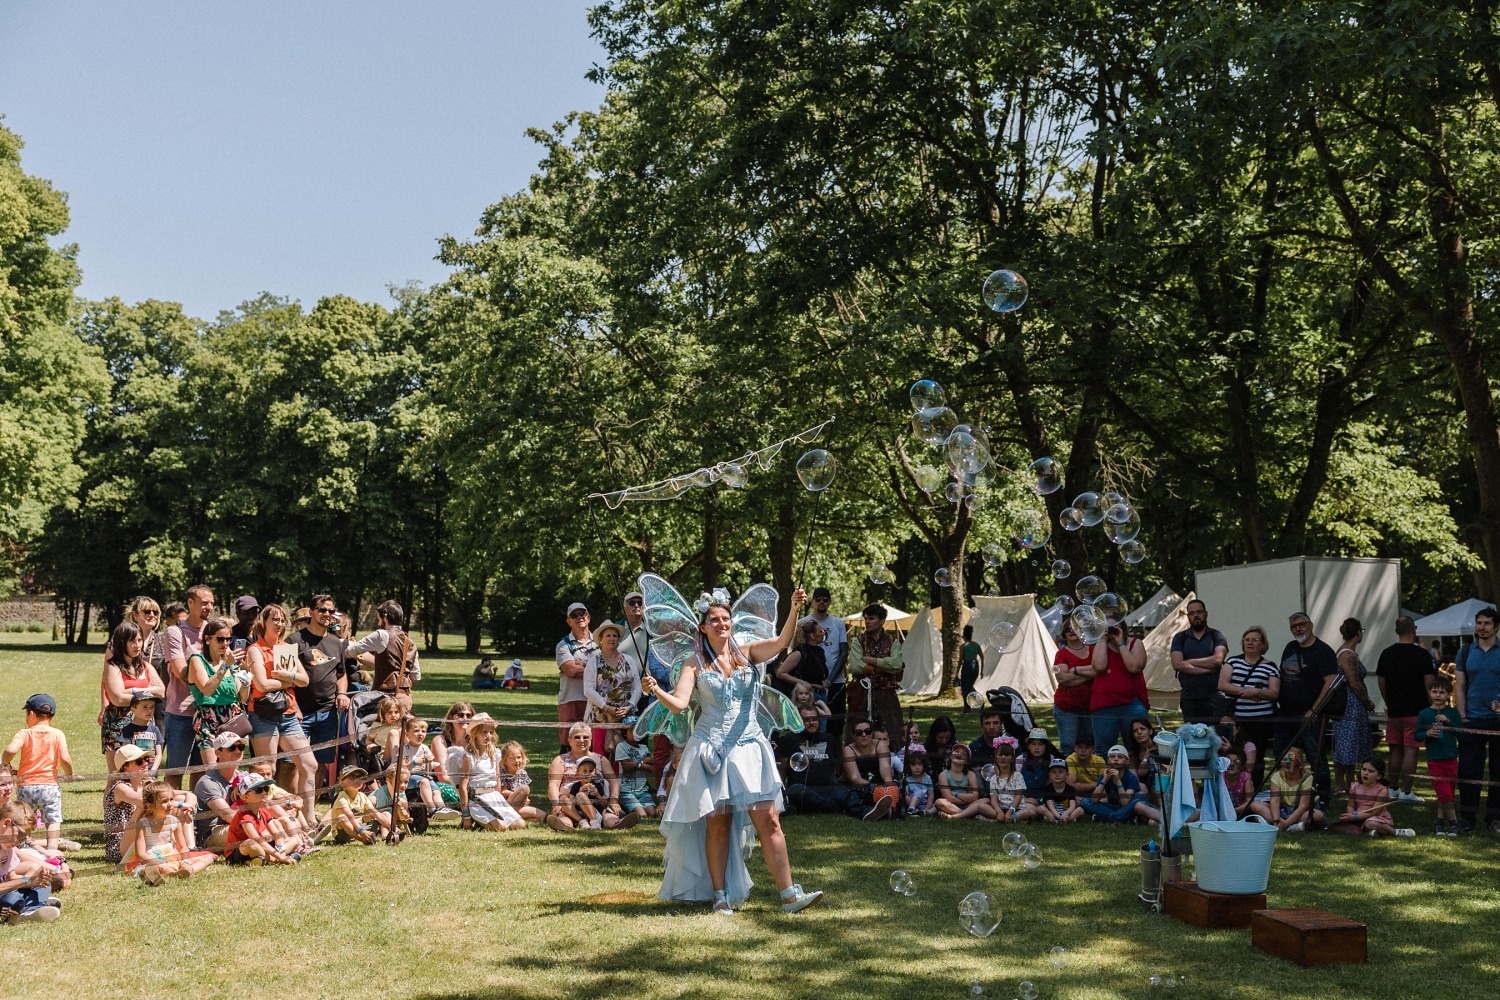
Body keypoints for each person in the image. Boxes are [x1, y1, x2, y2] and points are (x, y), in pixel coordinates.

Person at [641, 585, 822, 914]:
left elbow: (782, 643)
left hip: (750, 748)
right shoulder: (694, 664)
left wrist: (795, 608)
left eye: (726, 619)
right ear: (703, 626)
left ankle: (789, 896)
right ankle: (721, 895)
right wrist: (656, 691)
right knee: (719, 822)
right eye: (715, 620)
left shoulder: (748, 653)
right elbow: (680, 704)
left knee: (769, 820)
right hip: (712, 750)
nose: (722, 623)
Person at [245, 603, 317, 820]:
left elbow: (304, 680)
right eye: (274, 619)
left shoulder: (285, 648)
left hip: (288, 714)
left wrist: (289, 678)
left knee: (309, 764)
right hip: (263, 715)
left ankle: (309, 818)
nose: (279, 624)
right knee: (267, 770)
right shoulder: (255, 649)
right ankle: (266, 819)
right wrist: (287, 682)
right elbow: (262, 685)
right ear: (263, 622)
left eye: (282, 620)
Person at [1272, 612, 1341, 808]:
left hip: (1310, 715)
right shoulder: (1290, 647)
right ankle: (1285, 794)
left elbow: (1330, 682)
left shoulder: (1323, 651)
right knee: (1280, 754)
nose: (1298, 629)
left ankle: (1323, 798)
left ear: (1310, 625)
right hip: (1285, 713)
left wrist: (1314, 709)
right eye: (1294, 627)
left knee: (1315, 756)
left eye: (1302, 625)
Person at [161, 584, 217, 790]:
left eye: (211, 603)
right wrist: (207, 682)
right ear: (190, 603)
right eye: (204, 603)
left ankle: (195, 819)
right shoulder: (175, 633)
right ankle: (170, 818)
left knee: (201, 771)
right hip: (181, 712)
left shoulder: (212, 631)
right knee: (175, 771)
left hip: (208, 712)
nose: (209, 607)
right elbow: (180, 671)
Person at [1376, 615, 1437, 804]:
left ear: (1396, 631)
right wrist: (1434, 708)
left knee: (1395, 749)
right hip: (1416, 710)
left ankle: (1392, 788)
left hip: (1395, 709)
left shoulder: (1386, 653)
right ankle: (1407, 791)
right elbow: (1429, 684)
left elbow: (1381, 681)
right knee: (1411, 750)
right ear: (1414, 629)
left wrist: (1389, 701)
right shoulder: (1422, 655)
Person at [294, 594, 351, 793]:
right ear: (311, 612)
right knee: (292, 762)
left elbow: (341, 674)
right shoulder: (294, 640)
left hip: (327, 713)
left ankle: (309, 810)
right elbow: (285, 678)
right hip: (299, 713)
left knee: (320, 762)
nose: (326, 614)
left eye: (330, 611)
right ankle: (290, 810)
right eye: (322, 610)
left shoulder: (336, 643)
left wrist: (342, 693)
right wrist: (292, 706)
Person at [3, 694, 74, 852]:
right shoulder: (57, 734)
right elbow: (65, 759)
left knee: (23, 818)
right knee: (53, 820)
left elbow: (10, 750)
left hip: (26, 786)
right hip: (50, 786)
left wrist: (5, 764)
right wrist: (69, 775)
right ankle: (52, 849)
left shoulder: (25, 733)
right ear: (52, 715)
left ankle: (20, 848)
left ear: (31, 714)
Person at [1455, 606, 1500, 834]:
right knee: (1468, 772)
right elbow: (1460, 685)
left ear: (1496, 626)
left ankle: (1494, 818)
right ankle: (1468, 818)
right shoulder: (1465, 652)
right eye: (1479, 623)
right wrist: (1462, 715)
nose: (1482, 627)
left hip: (1498, 721)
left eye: (1487, 623)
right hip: (1472, 720)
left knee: (1498, 772)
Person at [544, 723, 638, 832]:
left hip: (596, 801)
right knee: (564, 816)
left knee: (608, 815)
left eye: (585, 737)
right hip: (571, 804)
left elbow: (614, 782)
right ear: (570, 741)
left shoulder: (600, 759)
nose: (581, 740)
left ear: (591, 739)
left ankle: (616, 824)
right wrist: (556, 803)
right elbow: (553, 785)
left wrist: (613, 800)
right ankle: (566, 825)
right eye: (577, 737)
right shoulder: (560, 760)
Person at [1218, 625, 1280, 788]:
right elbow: (1222, 684)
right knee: (1234, 752)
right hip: (1238, 719)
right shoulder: (1232, 661)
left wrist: (1257, 692)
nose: (1250, 643)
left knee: (1257, 756)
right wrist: (1245, 691)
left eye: (1254, 640)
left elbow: (1274, 692)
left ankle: (1254, 788)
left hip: (1261, 720)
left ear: (1263, 644)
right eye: (1247, 640)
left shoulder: (1271, 666)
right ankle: (1233, 786)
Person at [98, 620, 166, 767]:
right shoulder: (113, 667)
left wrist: (132, 691)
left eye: (140, 640)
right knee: (118, 773)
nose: (138, 645)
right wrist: (147, 692)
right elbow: (118, 699)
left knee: (145, 769)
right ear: (122, 643)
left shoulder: (145, 666)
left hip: (144, 724)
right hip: (118, 724)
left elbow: (161, 691)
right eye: (132, 641)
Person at [187, 617, 247, 770]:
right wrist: (226, 665)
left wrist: (246, 676)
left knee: (232, 769)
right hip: (208, 718)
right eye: (220, 639)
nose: (225, 644)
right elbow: (207, 690)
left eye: (228, 639)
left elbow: (242, 697)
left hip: (232, 717)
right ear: (207, 639)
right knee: (214, 770)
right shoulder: (197, 660)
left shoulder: (230, 663)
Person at [134, 781, 217, 884]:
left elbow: (182, 847)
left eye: (171, 800)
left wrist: (185, 862)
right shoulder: (143, 824)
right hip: (152, 859)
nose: (170, 804)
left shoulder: (174, 821)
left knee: (207, 858)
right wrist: (161, 865)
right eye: (164, 801)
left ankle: (187, 871)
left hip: (171, 856)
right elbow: (141, 853)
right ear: (150, 806)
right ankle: (151, 874)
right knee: (147, 867)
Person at [347, 600, 421, 711]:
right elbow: (416, 677)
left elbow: (350, 651)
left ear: (385, 616)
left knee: (356, 707)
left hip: (383, 697)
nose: (378, 620)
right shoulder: (410, 642)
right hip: (404, 698)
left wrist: (345, 642)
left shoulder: (382, 635)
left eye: (379, 617)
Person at [456, 714, 527, 831]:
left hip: (493, 796)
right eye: (484, 732)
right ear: (475, 733)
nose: (488, 736)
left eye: (490, 732)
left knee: (520, 825)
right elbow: (463, 786)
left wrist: (499, 801)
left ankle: (486, 820)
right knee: (501, 827)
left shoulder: (494, 753)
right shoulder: (469, 757)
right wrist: (466, 814)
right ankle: (479, 820)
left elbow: (497, 778)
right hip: (477, 798)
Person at [1331, 618, 1377, 793]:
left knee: (1348, 745)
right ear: (1358, 633)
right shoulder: (1347, 655)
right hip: (1350, 705)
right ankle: (1342, 785)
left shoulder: (1343, 652)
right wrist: (1368, 702)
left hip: (1348, 704)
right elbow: (1355, 683)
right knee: (1347, 746)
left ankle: (1349, 784)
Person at [1090, 616, 1148, 752]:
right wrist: (1103, 638)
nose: (1111, 631)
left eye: (1115, 627)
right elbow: (1098, 666)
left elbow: (1135, 667)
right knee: (1104, 749)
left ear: (1123, 628)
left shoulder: (1135, 643)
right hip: (1105, 704)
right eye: (1107, 628)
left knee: (1136, 747)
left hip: (1132, 704)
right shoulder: (1101, 644)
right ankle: (1106, 773)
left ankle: (1136, 772)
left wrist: (1121, 644)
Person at [849, 604, 904, 740]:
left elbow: (897, 665)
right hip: (862, 695)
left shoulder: (893, 642)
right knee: (860, 733)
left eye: (871, 618)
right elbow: (856, 667)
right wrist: (885, 667)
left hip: (886, 695)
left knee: (892, 734)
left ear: (882, 621)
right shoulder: (858, 641)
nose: (867, 622)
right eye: (866, 618)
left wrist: (873, 661)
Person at [583, 620, 640, 754]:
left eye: (614, 636)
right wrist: (607, 707)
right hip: (601, 716)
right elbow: (588, 689)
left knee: (622, 754)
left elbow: (637, 686)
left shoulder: (628, 660)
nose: (612, 638)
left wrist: (630, 706)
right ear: (600, 640)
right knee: (600, 752)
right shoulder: (593, 662)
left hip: (625, 716)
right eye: (608, 635)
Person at [802, 586, 849, 745]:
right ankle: (811, 760)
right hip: (811, 685)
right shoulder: (803, 623)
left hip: (835, 683)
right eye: (818, 599)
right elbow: (796, 651)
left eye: (825, 599)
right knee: (810, 724)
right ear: (812, 601)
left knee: (835, 726)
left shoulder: (838, 623)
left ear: (830, 602)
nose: (822, 602)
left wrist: (830, 679)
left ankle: (836, 766)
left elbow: (843, 652)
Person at [1170, 599, 1229, 725]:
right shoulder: (1180, 638)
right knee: (1193, 739)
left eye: (1199, 612)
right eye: (1192, 613)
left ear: (1206, 614)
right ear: (1188, 617)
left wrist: (1189, 662)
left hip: (1214, 697)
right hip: (1189, 698)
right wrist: (1207, 669)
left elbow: (1218, 659)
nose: (1196, 615)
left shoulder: (1217, 636)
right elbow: (1177, 664)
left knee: (1216, 738)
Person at [1415, 679, 1461, 836]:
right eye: (1435, 691)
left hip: (1451, 757)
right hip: (1434, 758)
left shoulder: (1452, 712)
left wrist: (1448, 722)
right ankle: (1454, 823)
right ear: (1430, 693)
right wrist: (1427, 733)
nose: (1438, 695)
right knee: (1444, 793)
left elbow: (1460, 732)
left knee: (1448, 792)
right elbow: (1416, 736)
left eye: (1442, 692)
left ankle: (1440, 824)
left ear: (1448, 695)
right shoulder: (1424, 713)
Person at [0, 802, 60, 923]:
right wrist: (25, 880)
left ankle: (27, 910)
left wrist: (35, 881)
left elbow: (10, 877)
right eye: (21, 835)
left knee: (41, 882)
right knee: (12, 898)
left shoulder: (7, 848)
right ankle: (29, 907)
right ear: (6, 823)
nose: (20, 842)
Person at [224, 776, 298, 865]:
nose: (264, 792)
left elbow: (277, 835)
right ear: (245, 797)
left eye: (266, 788)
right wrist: (281, 856)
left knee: (293, 841)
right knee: (252, 844)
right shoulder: (245, 816)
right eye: (258, 790)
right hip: (239, 852)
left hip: (262, 848)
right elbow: (258, 841)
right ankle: (275, 859)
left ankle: (263, 859)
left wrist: (280, 847)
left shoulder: (264, 812)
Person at [192, 732, 246, 852]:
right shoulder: (208, 782)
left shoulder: (243, 777)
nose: (238, 751)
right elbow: (228, 816)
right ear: (217, 753)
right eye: (231, 748)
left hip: (239, 824)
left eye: (241, 747)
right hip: (212, 834)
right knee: (250, 829)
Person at [553, 602, 595, 753]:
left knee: (593, 743)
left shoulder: (600, 641)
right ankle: (566, 776)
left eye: (582, 614)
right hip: (570, 700)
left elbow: (608, 669)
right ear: (569, 621)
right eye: (574, 615)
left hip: (596, 701)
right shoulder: (563, 645)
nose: (579, 617)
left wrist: (582, 664)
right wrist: (595, 668)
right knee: (568, 743)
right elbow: (571, 671)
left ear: (588, 618)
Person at [1081, 744, 1158, 824]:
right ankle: (1120, 818)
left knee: (1139, 801)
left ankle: (1106, 817)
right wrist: (1104, 780)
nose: (1116, 759)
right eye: (1112, 757)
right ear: (1108, 760)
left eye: (1120, 757)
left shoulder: (1131, 777)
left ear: (1127, 761)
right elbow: (1095, 800)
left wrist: (1118, 781)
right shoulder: (1104, 775)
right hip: (1113, 807)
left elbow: (1125, 803)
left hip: (1128, 807)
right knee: (1085, 802)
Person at [1336, 759, 1413, 837]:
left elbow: (1374, 812)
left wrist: (1355, 817)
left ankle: (1394, 832)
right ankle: (1370, 833)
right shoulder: (1355, 786)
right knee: (1337, 826)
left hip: (1375, 817)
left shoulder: (1382, 790)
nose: (1365, 773)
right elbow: (1350, 805)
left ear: (1379, 776)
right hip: (1358, 816)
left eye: (1370, 771)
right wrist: (1351, 815)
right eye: (1364, 769)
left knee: (1370, 824)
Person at [1253, 747, 1324, 832]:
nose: (1288, 762)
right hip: (1283, 810)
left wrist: (1286, 823)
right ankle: (1286, 825)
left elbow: (1303, 806)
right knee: (1255, 805)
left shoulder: (1307, 779)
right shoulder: (1277, 776)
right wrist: (1276, 819)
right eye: (1285, 759)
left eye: (1292, 760)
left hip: (1301, 812)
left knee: (1318, 815)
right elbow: (1275, 801)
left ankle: (1286, 825)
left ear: (1301, 765)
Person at [103, 744, 152, 864]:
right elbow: (145, 801)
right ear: (125, 767)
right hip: (119, 848)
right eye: (139, 761)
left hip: (141, 840)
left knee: (174, 805)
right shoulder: (120, 787)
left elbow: (167, 795)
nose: (145, 764)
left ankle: (189, 847)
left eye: (146, 760)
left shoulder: (145, 784)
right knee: (145, 806)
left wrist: (188, 796)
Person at [1051, 622, 1095, 755]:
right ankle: (1066, 775)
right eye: (1067, 629)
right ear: (1064, 634)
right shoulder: (1061, 654)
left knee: (1089, 746)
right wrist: (1089, 676)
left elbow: (1100, 670)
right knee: (1067, 747)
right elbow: (1063, 679)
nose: (1071, 631)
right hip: (1066, 708)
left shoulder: (1093, 651)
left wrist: (1074, 671)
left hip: (1091, 707)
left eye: (1074, 628)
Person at [841, 720, 897, 821]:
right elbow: (854, 777)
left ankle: (885, 809)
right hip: (859, 787)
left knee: (893, 790)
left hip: (880, 784)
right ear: (854, 736)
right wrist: (873, 788)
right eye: (859, 732)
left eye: (868, 731)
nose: (864, 735)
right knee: (852, 802)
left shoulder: (880, 746)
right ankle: (871, 812)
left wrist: (888, 787)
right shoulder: (849, 750)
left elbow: (885, 769)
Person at [326, 766, 389, 844]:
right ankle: (363, 839)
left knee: (384, 814)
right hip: (343, 833)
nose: (357, 780)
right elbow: (350, 817)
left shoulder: (361, 796)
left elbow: (375, 813)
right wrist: (361, 831)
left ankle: (386, 836)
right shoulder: (341, 798)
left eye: (360, 777)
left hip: (360, 826)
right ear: (341, 782)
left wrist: (393, 828)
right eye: (352, 777)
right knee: (342, 817)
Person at [613, 716, 657, 820]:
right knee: (642, 816)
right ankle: (626, 812)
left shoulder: (644, 748)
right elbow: (627, 768)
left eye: (637, 730)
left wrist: (636, 764)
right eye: (631, 730)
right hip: (626, 791)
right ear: (625, 733)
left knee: (653, 813)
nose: (634, 733)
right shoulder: (621, 746)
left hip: (643, 790)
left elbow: (651, 769)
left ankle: (635, 808)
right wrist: (643, 762)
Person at [935, 742, 992, 820]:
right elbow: (948, 798)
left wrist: (955, 793)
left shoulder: (970, 774)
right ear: (951, 756)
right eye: (957, 751)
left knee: (986, 800)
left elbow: (975, 797)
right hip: (951, 805)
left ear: (967, 761)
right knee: (939, 802)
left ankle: (959, 814)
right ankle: (968, 814)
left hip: (970, 805)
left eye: (963, 754)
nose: (959, 754)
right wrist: (967, 798)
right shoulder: (943, 775)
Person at [775, 619, 828, 698]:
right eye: (820, 632)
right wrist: (804, 683)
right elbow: (781, 673)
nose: (824, 634)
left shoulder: (820, 652)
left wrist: (824, 681)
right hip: (803, 697)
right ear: (812, 636)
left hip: (820, 695)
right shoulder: (799, 653)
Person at [496, 740, 544, 823]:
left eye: (518, 757)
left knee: (539, 814)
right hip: (506, 804)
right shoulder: (502, 773)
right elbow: (502, 791)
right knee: (525, 789)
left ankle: (544, 818)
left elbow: (526, 797)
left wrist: (526, 801)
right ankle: (513, 816)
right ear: (505, 760)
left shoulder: (522, 773)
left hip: (519, 805)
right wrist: (517, 794)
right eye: (512, 758)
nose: (516, 761)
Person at [987, 737, 1033, 823]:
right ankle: (1003, 818)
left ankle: (1006, 818)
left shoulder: (1017, 776)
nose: (1003, 758)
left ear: (1012, 759)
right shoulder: (994, 778)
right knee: (982, 806)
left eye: (1007, 755)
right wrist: (999, 811)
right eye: (1000, 755)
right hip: (1000, 809)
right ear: (996, 758)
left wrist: (1010, 811)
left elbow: (1018, 796)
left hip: (1015, 809)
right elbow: (993, 798)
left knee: (1026, 812)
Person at [1034, 759, 1084, 824]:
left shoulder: (1071, 789)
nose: (1057, 775)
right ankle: (1057, 820)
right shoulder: (1048, 789)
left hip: (1067, 813)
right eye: (1054, 772)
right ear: (1050, 776)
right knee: (1040, 808)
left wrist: (1065, 814)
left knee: (1080, 810)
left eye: (1060, 772)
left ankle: (1065, 820)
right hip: (1053, 813)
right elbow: (1051, 807)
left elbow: (1072, 806)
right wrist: (1058, 817)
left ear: (1067, 775)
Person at [959, 624, 984, 713]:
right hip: (975, 665)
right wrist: (981, 671)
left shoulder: (963, 646)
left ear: (964, 636)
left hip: (967, 665)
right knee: (969, 686)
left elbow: (960, 660)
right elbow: (982, 657)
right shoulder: (976, 645)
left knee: (965, 687)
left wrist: (957, 673)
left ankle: (967, 708)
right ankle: (978, 702)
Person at [904, 750, 937, 817]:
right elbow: (906, 795)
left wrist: (927, 807)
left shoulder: (927, 778)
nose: (917, 767)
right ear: (909, 766)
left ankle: (925, 812)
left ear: (924, 765)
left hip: (924, 804)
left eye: (920, 764)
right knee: (920, 792)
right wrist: (911, 805)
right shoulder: (907, 779)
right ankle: (911, 810)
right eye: (913, 765)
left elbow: (930, 795)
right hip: (911, 802)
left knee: (938, 805)